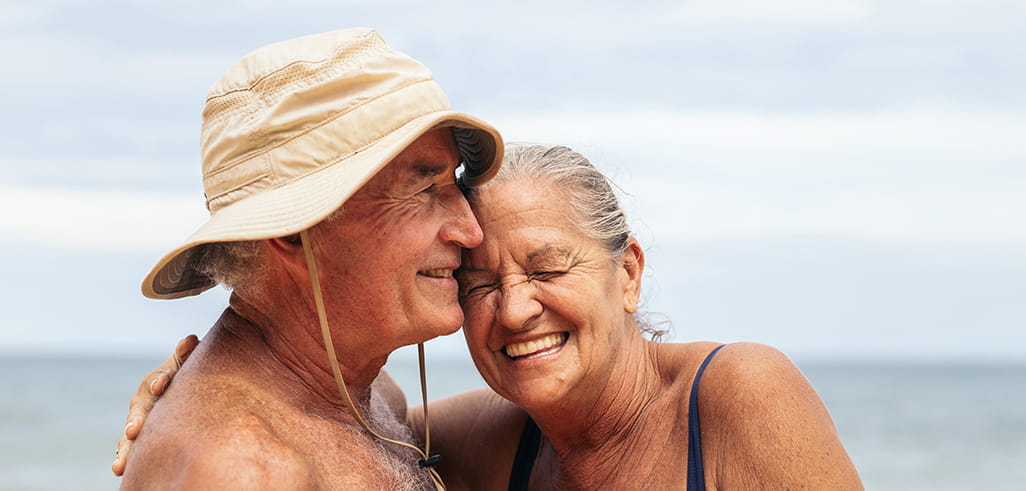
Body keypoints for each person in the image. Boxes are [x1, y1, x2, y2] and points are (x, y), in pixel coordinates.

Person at [118, 144, 864, 489]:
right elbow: (333, 418)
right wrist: (203, 389)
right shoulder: (493, 441)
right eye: (475, 283)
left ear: (629, 273)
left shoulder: (736, 398)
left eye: (547, 268)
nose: (515, 308)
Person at [116, 28, 503, 489]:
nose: (470, 230)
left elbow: (547, 433)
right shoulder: (248, 473)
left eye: (453, 183)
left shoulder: (365, 397)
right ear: (291, 234)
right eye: (422, 189)